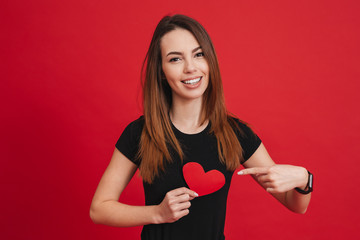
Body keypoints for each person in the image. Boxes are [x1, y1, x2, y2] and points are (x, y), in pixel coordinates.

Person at [90, 14, 312, 240]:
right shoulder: (140, 133)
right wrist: (157, 213)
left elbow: (295, 205)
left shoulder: (236, 134)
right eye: (175, 59)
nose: (190, 68)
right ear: (162, 72)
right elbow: (99, 209)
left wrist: (305, 179)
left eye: (198, 54)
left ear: (210, 61)